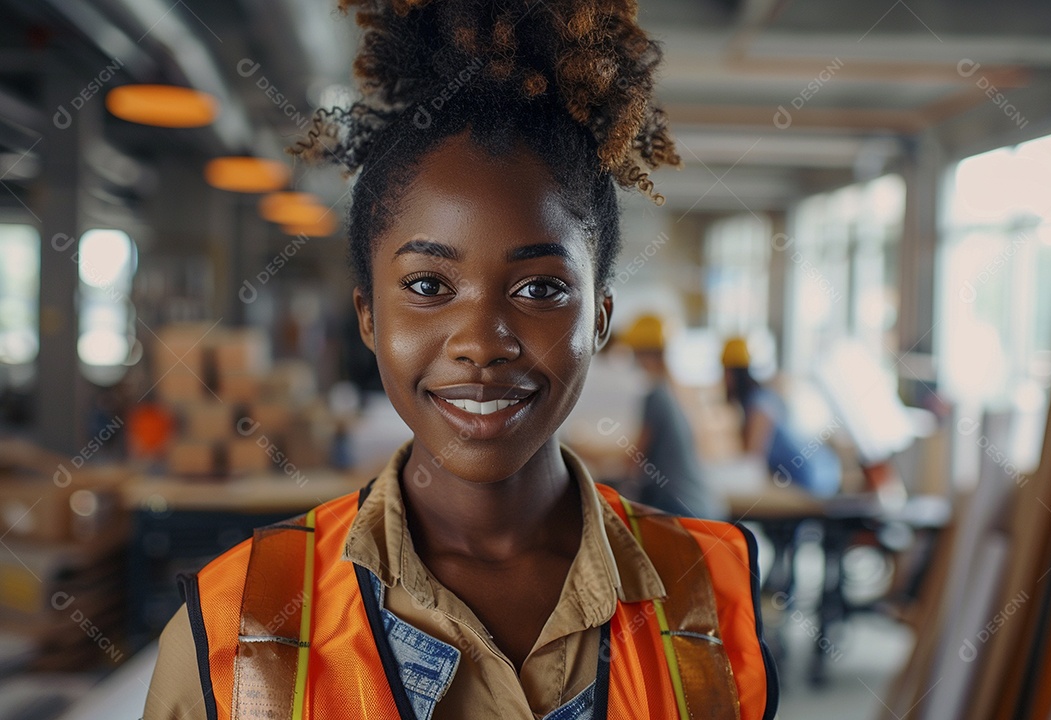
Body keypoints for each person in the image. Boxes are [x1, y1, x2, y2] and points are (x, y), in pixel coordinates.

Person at [144, 1, 777, 718]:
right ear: (368, 317)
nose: (481, 341)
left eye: (540, 287)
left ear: (599, 319)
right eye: (427, 286)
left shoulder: (711, 595)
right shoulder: (238, 623)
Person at [621, 314, 724, 519]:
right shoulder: (676, 392)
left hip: (679, 510)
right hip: (702, 505)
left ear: (642, 353)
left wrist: (591, 455)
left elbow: (635, 458)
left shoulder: (656, 396)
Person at [721, 337, 841, 497]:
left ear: (730, 373)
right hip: (822, 470)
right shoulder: (762, 398)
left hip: (812, 476)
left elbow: (751, 461)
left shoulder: (759, 404)